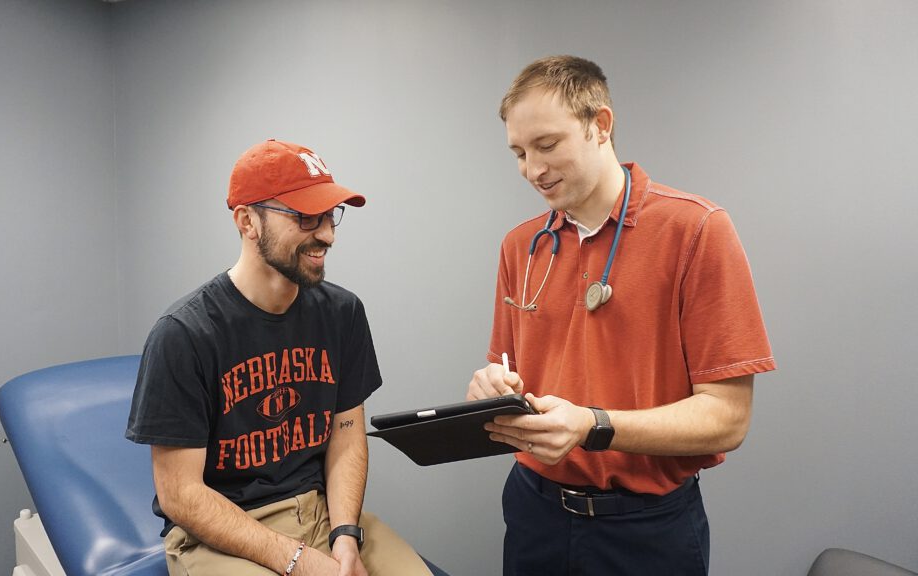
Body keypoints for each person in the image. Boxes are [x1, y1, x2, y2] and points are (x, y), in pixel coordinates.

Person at [468, 56, 777, 575]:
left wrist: (594, 425)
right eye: (519, 153)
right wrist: (492, 389)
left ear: (600, 125)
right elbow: (509, 369)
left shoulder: (696, 232)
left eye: (547, 145)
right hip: (533, 512)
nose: (533, 170)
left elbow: (727, 419)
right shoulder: (520, 246)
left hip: (644, 529)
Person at [127, 139, 432, 576]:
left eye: (330, 216)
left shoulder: (342, 314)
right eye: (306, 217)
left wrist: (345, 535)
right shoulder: (184, 334)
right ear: (247, 221)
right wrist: (298, 561)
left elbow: (345, 436)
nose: (326, 234)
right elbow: (181, 495)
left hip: (319, 513)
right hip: (221, 532)